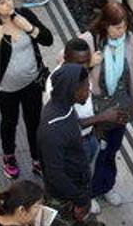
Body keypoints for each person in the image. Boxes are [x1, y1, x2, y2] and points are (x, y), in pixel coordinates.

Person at [44, 37, 128, 215]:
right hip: (76, 141)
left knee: (91, 168)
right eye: (79, 62)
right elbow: (69, 123)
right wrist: (102, 117)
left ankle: (97, 190)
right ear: (65, 59)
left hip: (90, 136)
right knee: (77, 176)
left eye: (86, 62)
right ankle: (82, 201)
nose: (84, 67)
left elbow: (88, 104)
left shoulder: (80, 74)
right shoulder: (57, 84)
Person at [0, 0, 53, 179]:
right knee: (9, 122)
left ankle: (37, 159)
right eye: (2, 2)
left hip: (32, 83)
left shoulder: (24, 15)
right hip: (6, 89)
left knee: (34, 122)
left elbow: (48, 40)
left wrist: (30, 28)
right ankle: (9, 156)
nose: (8, 4)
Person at [84, 2, 133, 207]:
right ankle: (88, 193)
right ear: (105, 25)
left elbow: (132, 70)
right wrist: (90, 63)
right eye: (117, 27)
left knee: (112, 148)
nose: (122, 31)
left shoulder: (129, 39)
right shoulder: (90, 39)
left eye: (124, 26)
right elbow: (64, 60)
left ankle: (105, 186)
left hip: (120, 105)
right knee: (95, 151)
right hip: (97, 108)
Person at [37, 64, 96, 224]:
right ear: (72, 91)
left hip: (75, 190)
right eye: (85, 88)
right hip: (64, 200)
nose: (88, 92)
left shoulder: (65, 108)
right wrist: (80, 199)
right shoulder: (54, 129)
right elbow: (54, 173)